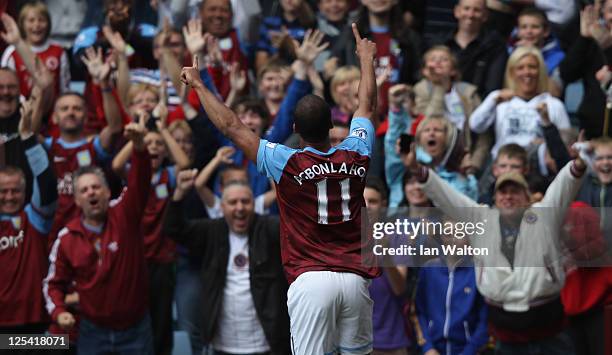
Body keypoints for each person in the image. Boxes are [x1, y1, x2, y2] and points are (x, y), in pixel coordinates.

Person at [180, 22, 379, 354]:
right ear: (332, 126)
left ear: (295, 128)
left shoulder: (284, 160)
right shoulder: (356, 152)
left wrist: (199, 86)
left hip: (310, 278)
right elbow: (366, 106)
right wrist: (366, 60)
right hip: (355, 278)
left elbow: (232, 126)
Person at [401, 140, 587, 354]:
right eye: (502, 192)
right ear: (495, 199)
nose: (508, 196)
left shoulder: (544, 215)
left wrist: (578, 165)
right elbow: (446, 196)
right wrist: (417, 169)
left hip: (550, 331)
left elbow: (563, 186)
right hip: (505, 335)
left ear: (528, 198)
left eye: (515, 191)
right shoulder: (481, 220)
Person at [43, 116, 153, 355]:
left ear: (106, 191)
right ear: (77, 200)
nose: (91, 192)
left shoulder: (125, 212)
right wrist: (59, 311)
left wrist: (140, 149)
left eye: (96, 187)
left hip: (136, 329)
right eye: (84, 189)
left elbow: (140, 181)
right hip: (93, 331)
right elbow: (53, 284)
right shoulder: (68, 238)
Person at [163, 174, 290, 354]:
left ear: (254, 205)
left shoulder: (268, 228)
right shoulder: (212, 230)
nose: (239, 208)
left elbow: (295, 228)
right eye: (233, 202)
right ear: (222, 207)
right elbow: (173, 229)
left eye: (245, 201)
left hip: (267, 345)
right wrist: (179, 194)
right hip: (222, 346)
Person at [0, 100, 57, 335]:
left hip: (36, 324)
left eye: (16, 191)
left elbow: (46, 183)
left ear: (25, 193)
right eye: (3, 191)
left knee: (61, 345)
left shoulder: (35, 218)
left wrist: (27, 138)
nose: (10, 197)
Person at [469, 46, 571, 158]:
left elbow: (565, 145)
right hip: (504, 166)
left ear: (540, 71)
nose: (526, 72)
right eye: (520, 68)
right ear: (512, 72)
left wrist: (545, 144)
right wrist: (492, 100)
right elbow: (475, 126)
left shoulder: (554, 104)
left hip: (538, 169)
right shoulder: (500, 100)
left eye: (532, 67)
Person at [0, 3, 70, 100]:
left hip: (52, 109)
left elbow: (64, 88)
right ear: (22, 24)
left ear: (48, 23)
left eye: (41, 20)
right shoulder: (12, 51)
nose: (36, 25)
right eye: (31, 20)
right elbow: (4, 81)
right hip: (19, 108)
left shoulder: (58, 51)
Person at [440, 0, 507, 98]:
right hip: (441, 103)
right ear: (457, 11)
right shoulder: (440, 43)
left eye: (477, 10)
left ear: (485, 15)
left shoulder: (495, 47)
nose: (470, 15)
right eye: (466, 9)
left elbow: (493, 89)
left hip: (479, 106)